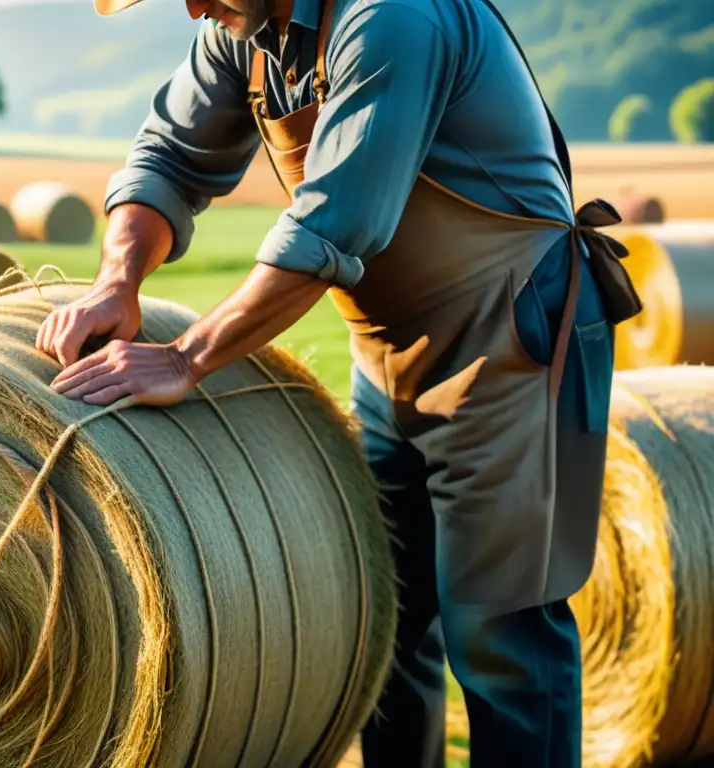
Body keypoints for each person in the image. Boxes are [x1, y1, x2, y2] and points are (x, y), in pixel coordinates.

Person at [35, 0, 643, 764]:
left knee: (501, 640)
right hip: (384, 356)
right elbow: (167, 156)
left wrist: (185, 358)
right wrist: (115, 279)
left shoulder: (394, 18)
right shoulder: (241, 31)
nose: (191, 6)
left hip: (513, 343)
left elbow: (332, 226)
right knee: (381, 623)